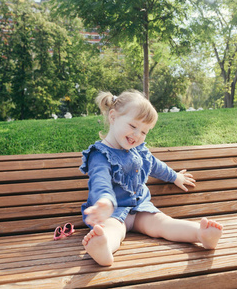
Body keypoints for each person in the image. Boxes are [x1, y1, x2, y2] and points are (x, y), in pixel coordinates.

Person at [79, 90, 223, 266]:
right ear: (113, 117)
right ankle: (103, 248)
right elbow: (99, 180)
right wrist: (105, 201)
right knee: (113, 230)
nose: (137, 135)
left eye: (144, 132)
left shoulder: (139, 150)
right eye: (133, 126)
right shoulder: (100, 154)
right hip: (113, 212)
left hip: (140, 208)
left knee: (163, 224)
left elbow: (155, 165)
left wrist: (174, 177)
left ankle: (201, 234)